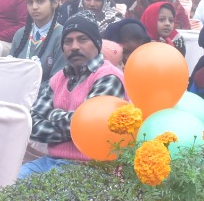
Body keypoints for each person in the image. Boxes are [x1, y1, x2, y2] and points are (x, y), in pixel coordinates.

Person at [20, 15, 126, 177]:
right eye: (68, 41)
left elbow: (91, 127)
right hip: (52, 160)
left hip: (92, 167)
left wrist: (53, 115)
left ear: (97, 44)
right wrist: (74, 128)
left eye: (82, 39)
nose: (74, 47)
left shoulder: (108, 77)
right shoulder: (58, 79)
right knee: (6, 183)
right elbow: (32, 124)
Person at [8, 0, 66, 81]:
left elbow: (57, 81)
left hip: (46, 91)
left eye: (40, 1)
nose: (34, 7)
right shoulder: (20, 34)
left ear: (55, 3)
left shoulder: (62, 35)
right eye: (30, 2)